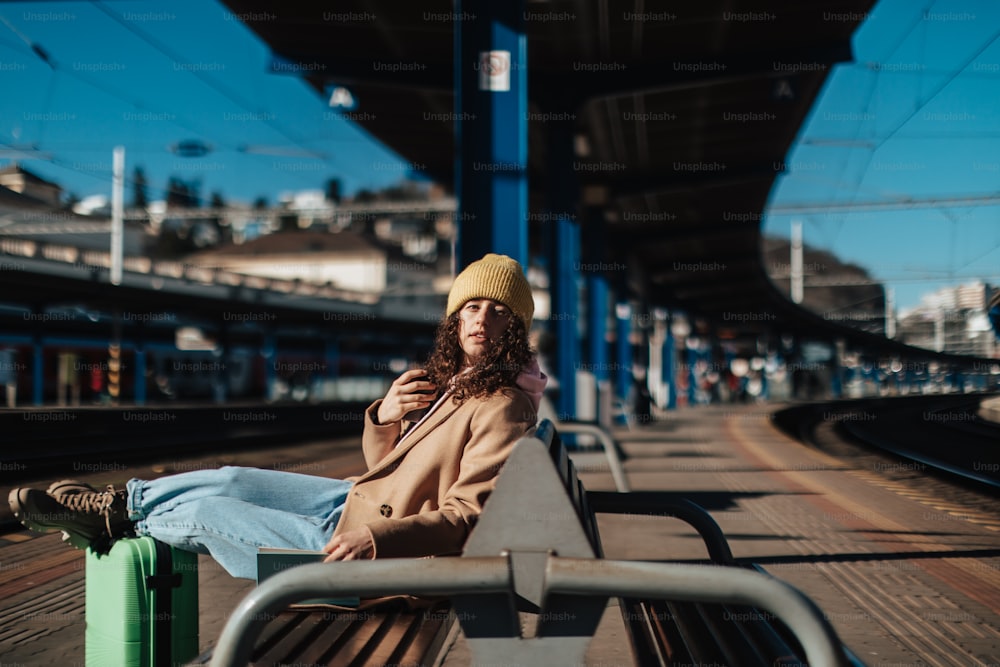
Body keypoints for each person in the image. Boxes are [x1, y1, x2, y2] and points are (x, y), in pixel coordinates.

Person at [9, 253, 546, 580]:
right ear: (454, 321)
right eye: (471, 307)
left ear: (515, 328)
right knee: (232, 477)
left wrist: (377, 541)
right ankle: (117, 502)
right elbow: (384, 467)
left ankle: (110, 520)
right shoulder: (459, 386)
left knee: (214, 511)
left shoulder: (503, 405)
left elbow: (469, 518)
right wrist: (384, 415)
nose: (482, 319)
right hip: (355, 504)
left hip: (378, 553)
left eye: (499, 311)